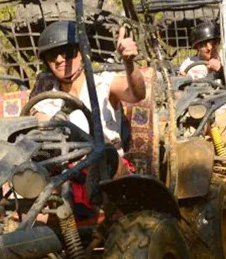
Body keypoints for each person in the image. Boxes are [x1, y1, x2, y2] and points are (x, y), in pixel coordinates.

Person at [30, 20, 147, 159]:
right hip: (64, 170)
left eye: (67, 52)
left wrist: (129, 63)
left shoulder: (103, 84)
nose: (59, 59)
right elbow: (37, 123)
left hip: (107, 168)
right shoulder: (46, 98)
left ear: (82, 52)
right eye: (52, 55)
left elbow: (137, 94)